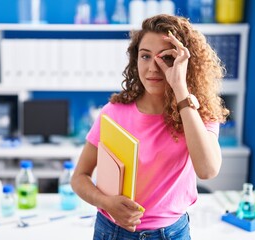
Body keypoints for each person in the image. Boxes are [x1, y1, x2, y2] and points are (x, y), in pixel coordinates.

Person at [71, 14, 229, 240]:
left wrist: (180, 89)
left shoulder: (197, 114)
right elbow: (79, 177)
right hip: (114, 231)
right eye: (145, 56)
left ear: (184, 63)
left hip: (173, 233)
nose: (153, 67)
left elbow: (208, 170)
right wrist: (107, 203)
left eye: (166, 57)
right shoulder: (113, 113)